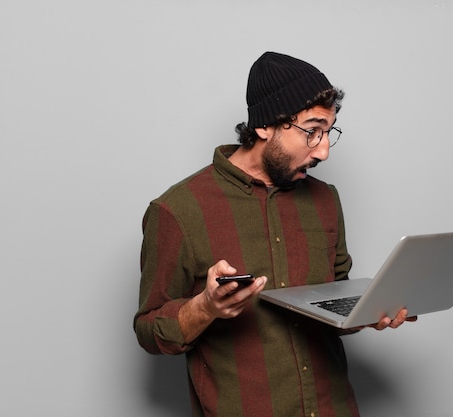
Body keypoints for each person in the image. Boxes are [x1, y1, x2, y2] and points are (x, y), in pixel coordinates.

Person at [134, 51, 416, 417]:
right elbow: (149, 330)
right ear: (265, 125)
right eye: (312, 132)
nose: (325, 150)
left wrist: (370, 310)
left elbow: (334, 305)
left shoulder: (325, 200)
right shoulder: (177, 211)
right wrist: (205, 307)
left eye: (329, 132)